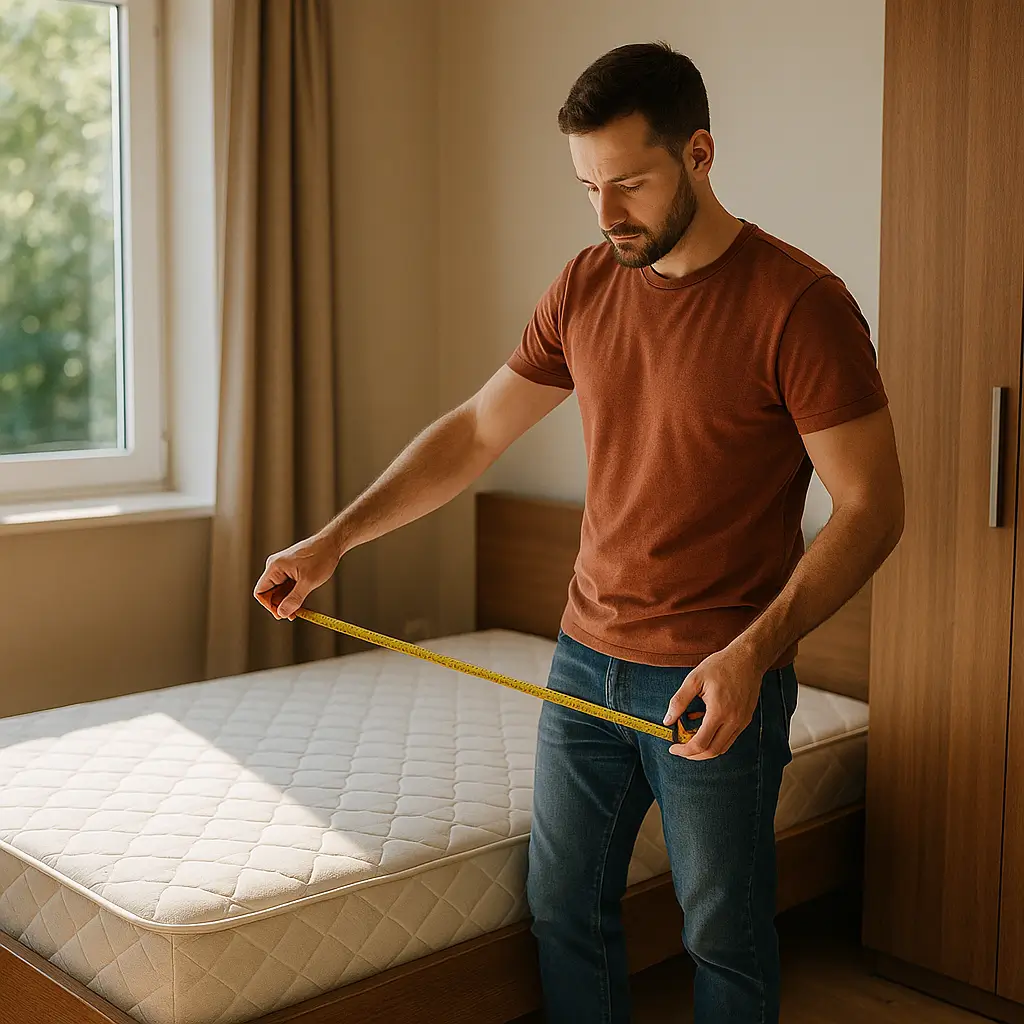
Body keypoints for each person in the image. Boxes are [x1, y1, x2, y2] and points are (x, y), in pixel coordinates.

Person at [254, 41, 904, 1024]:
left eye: (629, 183)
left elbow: (870, 507)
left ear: (699, 153)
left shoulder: (800, 307)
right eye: (586, 186)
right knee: (563, 909)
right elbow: (476, 429)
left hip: (713, 678)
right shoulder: (584, 286)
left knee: (722, 937)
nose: (606, 215)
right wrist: (332, 541)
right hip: (581, 661)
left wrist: (751, 655)